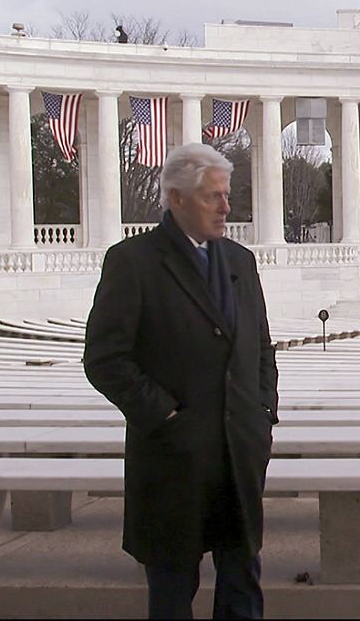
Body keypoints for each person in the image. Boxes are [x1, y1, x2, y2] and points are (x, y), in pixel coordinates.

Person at [85, 143, 279, 619]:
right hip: (174, 459)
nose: (226, 207)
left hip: (239, 453)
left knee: (242, 584)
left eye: (226, 195)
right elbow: (105, 359)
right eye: (213, 196)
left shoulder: (239, 260)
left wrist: (262, 413)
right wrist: (166, 415)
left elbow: (261, 350)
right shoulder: (133, 261)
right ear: (176, 198)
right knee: (172, 591)